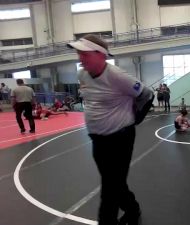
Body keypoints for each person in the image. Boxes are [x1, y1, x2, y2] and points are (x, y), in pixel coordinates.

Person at [67, 34, 153, 225]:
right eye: (79, 53)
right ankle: (133, 209)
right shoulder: (82, 74)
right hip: (98, 139)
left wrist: (135, 118)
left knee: (109, 189)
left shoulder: (117, 76)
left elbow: (147, 95)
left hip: (120, 139)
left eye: (84, 54)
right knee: (115, 182)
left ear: (100, 55)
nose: (80, 58)